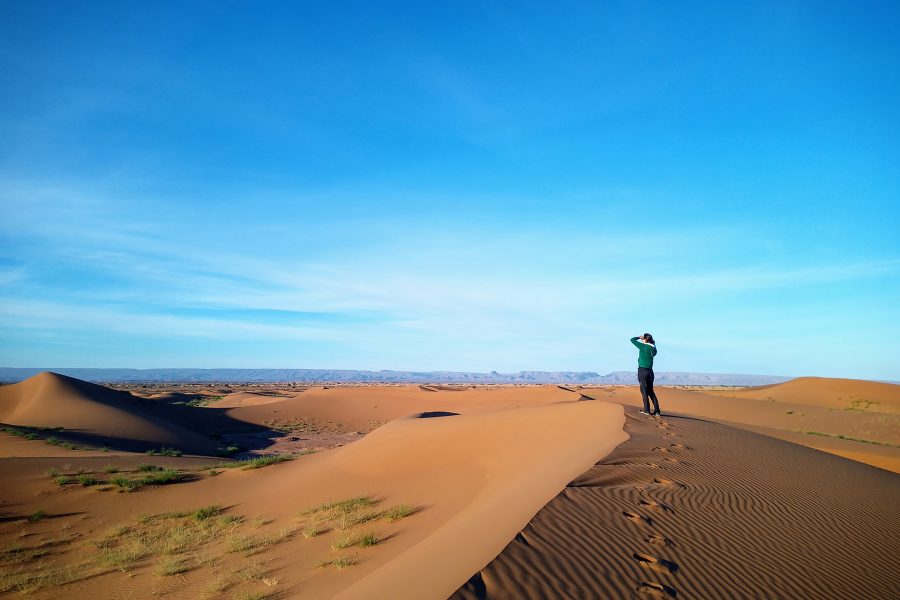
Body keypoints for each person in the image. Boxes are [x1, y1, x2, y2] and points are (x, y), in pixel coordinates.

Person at [631, 333, 660, 416]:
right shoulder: (654, 349)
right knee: (651, 391)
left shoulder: (643, 346)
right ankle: (657, 411)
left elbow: (632, 340)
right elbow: (653, 344)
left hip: (642, 371)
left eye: (643, 338)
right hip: (650, 372)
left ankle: (647, 410)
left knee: (644, 390)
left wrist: (638, 337)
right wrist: (646, 340)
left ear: (645, 339)